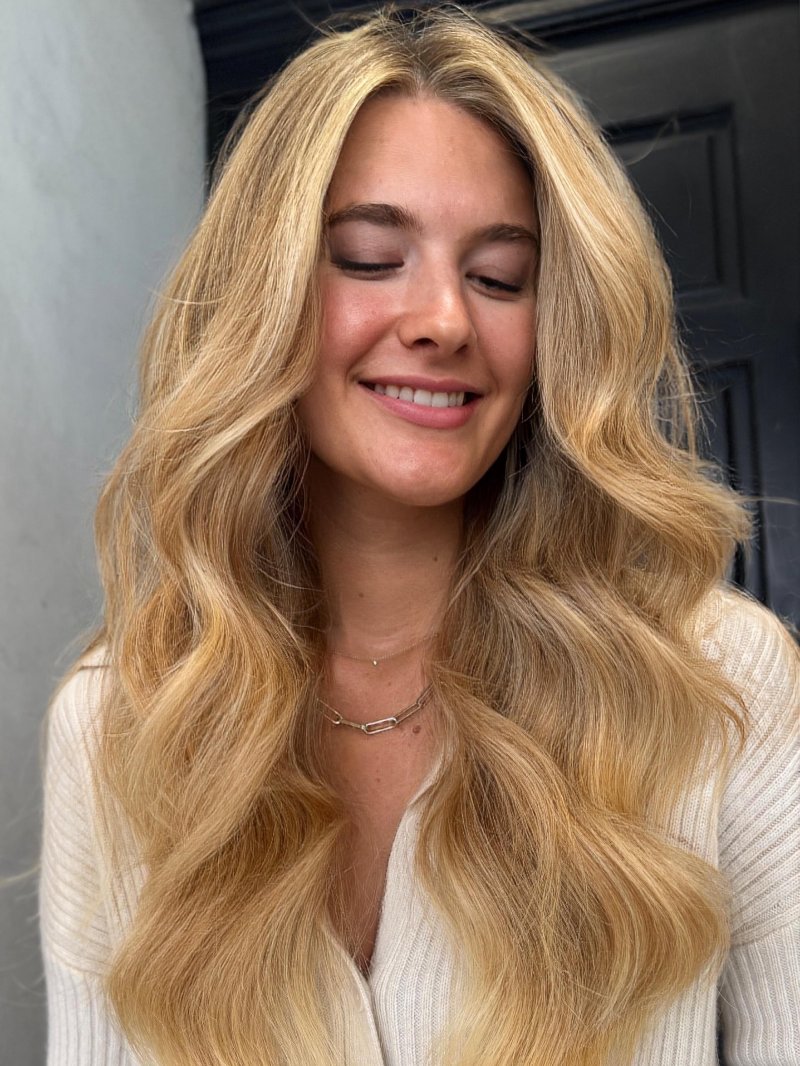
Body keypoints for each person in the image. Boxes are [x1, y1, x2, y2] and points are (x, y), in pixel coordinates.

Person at [40, 6, 799, 1066]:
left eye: (499, 278)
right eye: (367, 257)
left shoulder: (719, 682)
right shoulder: (123, 721)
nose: (444, 318)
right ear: (262, 300)